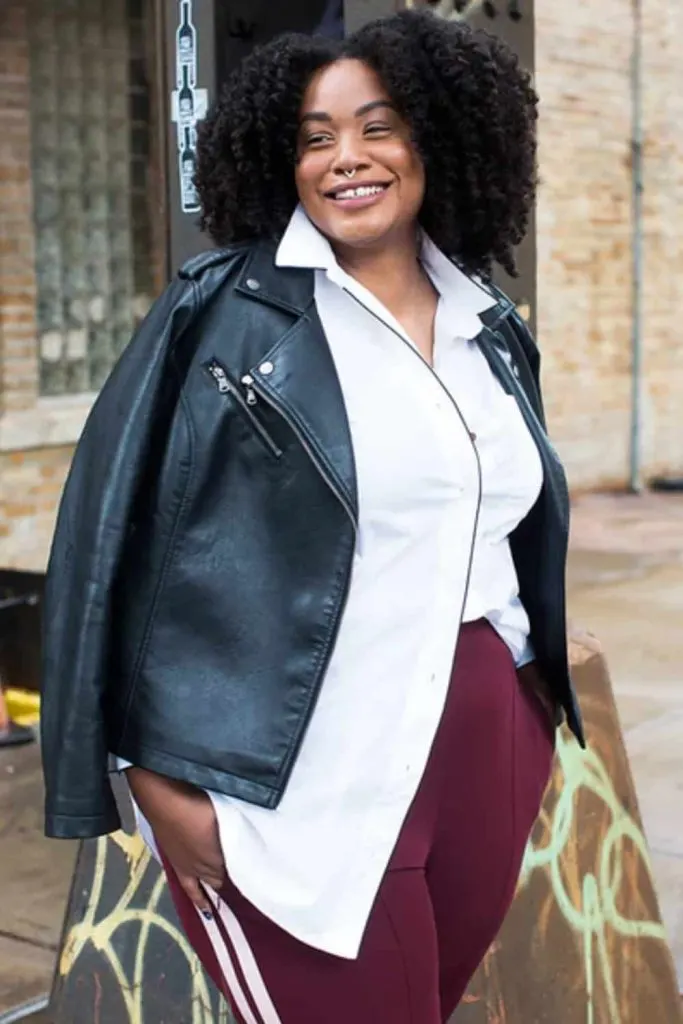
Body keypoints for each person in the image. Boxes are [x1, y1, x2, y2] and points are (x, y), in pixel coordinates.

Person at [41, 10, 585, 1022]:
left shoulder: (486, 322)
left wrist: (527, 711)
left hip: (480, 737)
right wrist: (143, 763)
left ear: (439, 135)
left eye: (377, 126)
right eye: (313, 135)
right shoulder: (221, 313)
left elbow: (502, 527)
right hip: (283, 761)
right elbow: (108, 540)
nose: (345, 158)